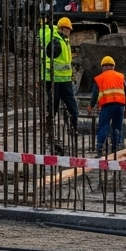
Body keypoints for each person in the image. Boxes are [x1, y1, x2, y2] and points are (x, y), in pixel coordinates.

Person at [41, 16, 78, 154]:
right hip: (54, 81)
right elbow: (50, 56)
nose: (68, 32)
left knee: (73, 109)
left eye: (69, 30)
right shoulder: (55, 39)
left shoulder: (64, 41)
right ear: (61, 28)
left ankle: (73, 129)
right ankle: (49, 133)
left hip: (65, 82)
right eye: (67, 29)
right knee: (52, 108)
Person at [89, 55, 126, 157]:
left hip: (107, 105)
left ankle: (99, 149)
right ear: (113, 66)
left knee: (104, 126)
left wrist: (90, 106)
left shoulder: (99, 78)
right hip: (120, 106)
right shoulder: (120, 76)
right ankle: (115, 148)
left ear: (102, 67)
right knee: (117, 127)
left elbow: (95, 95)